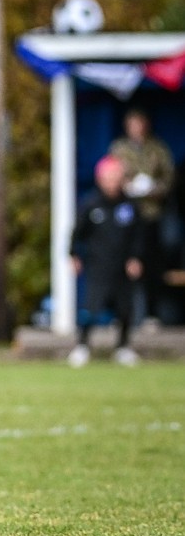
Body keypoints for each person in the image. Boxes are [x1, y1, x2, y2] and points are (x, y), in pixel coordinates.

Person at [68, 155, 144, 367]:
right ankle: (82, 346)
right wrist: (73, 255)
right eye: (109, 177)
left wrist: (135, 258)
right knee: (90, 309)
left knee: (125, 309)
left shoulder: (130, 206)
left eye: (116, 177)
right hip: (98, 266)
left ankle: (123, 347)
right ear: (100, 179)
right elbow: (78, 233)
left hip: (122, 266)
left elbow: (138, 236)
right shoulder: (91, 204)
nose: (112, 182)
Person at [108, 108, 175, 323]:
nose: (136, 128)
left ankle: (151, 314)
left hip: (151, 214)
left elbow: (169, 178)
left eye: (140, 123)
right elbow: (109, 174)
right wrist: (127, 186)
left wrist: (154, 189)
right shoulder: (119, 148)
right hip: (126, 214)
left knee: (152, 264)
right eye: (132, 124)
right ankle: (120, 314)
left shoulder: (157, 149)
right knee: (120, 263)